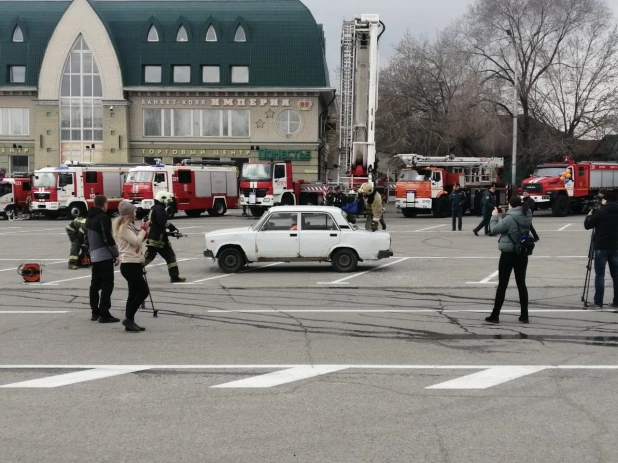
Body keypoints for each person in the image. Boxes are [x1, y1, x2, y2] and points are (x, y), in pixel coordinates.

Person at [485, 196, 532, 324]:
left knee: (502, 285)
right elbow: (512, 223)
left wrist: (495, 216)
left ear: (511, 205)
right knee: (521, 284)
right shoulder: (527, 215)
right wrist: (505, 215)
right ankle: (524, 315)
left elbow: (494, 229)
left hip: (508, 254)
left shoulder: (510, 218)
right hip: (522, 253)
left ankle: (495, 315)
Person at [113, 201, 150, 332]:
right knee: (143, 291)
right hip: (129, 264)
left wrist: (145, 229)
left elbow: (140, 240)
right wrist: (143, 230)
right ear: (129, 213)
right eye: (134, 211)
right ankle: (128, 319)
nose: (136, 213)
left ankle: (130, 320)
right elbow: (136, 241)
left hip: (134, 263)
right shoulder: (124, 227)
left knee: (133, 293)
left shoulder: (129, 226)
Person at [85, 195, 120, 323]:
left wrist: (89, 253)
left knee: (95, 284)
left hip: (93, 254)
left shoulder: (88, 218)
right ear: (104, 204)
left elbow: (86, 238)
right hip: (104, 254)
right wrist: (115, 253)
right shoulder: (103, 217)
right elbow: (107, 237)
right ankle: (104, 312)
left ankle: (95, 311)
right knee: (107, 283)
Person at [583, 191, 618, 308]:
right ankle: (617, 301)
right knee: (616, 275)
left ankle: (598, 302)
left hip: (601, 246)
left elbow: (588, 225)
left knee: (600, 275)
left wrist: (589, 215)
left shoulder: (601, 212)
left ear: (606, 200)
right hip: (616, 246)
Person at [144, 191, 186, 283]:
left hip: (160, 238)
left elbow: (154, 223)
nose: (167, 203)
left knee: (170, 256)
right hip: (156, 239)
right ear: (162, 199)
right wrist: (172, 228)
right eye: (167, 200)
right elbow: (162, 222)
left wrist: (171, 233)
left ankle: (174, 277)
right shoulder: (160, 209)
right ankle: (135, 272)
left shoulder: (154, 208)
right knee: (149, 257)